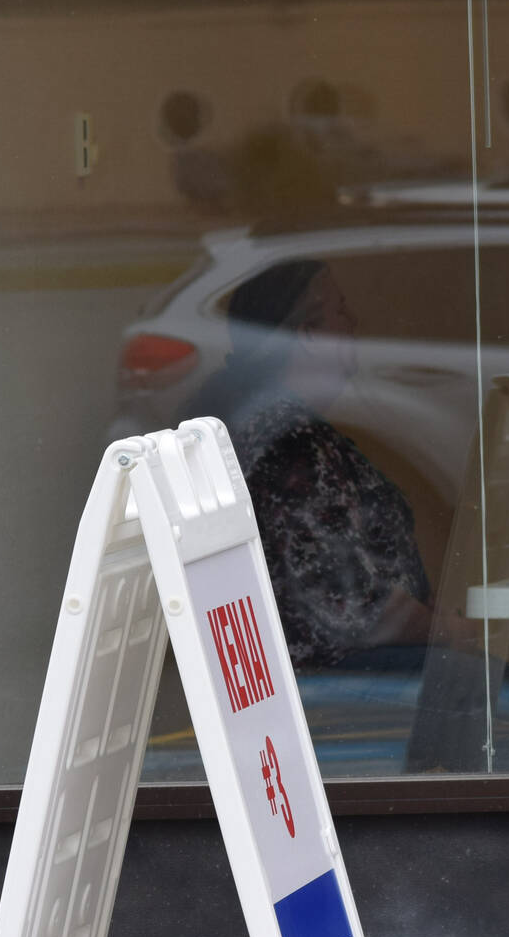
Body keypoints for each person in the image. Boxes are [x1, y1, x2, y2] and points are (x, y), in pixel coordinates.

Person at [185, 258, 434, 671]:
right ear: (308, 334)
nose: (353, 321)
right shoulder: (294, 451)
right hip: (347, 691)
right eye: (339, 309)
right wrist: (461, 633)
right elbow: (363, 611)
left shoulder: (289, 433)